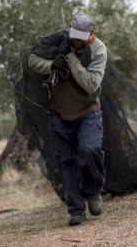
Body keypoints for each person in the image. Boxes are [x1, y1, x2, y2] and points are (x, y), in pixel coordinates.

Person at [28, 12, 107, 226]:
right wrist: (52, 65)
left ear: (90, 33)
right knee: (66, 162)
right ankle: (76, 211)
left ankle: (93, 192)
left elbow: (91, 84)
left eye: (81, 36)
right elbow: (32, 59)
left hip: (88, 111)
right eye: (74, 35)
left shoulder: (98, 49)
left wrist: (71, 60)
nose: (76, 40)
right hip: (59, 113)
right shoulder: (59, 38)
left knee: (89, 150)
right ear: (70, 29)